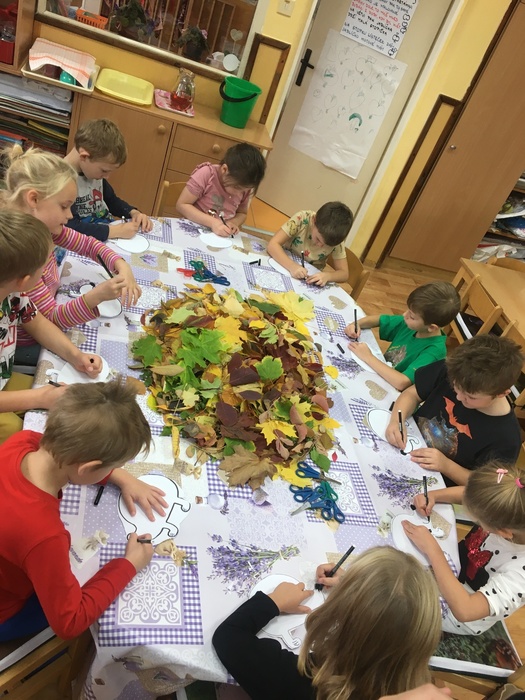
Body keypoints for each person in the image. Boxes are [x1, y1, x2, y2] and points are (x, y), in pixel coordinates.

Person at [0, 378, 168, 642]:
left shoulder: (22, 442)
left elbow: (70, 457)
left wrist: (122, 478)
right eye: (115, 466)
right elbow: (70, 622)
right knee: (82, 590)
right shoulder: (45, 537)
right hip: (6, 612)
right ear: (88, 468)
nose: (117, 470)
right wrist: (129, 565)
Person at [213, 547, 442, 700]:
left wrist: (272, 602)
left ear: (340, 614)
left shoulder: (303, 681)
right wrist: (356, 591)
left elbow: (228, 637)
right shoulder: (417, 689)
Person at [1, 146, 141, 358]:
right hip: (26, 345)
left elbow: (88, 244)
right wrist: (95, 297)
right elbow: (52, 319)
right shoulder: (22, 256)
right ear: (34, 200)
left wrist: (121, 265)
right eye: (64, 206)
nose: (69, 216)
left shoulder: (47, 228)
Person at [0, 209, 104, 442]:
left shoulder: (13, 294)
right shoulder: (15, 290)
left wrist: (75, 355)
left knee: (58, 393)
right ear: (25, 280)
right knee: (23, 433)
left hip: (4, 378)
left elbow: (37, 323)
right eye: (46, 264)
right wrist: (39, 398)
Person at [405, 462, 525, 636]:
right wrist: (434, 495)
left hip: (457, 612)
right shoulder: (510, 507)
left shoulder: (520, 576)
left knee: (395, 595)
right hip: (454, 566)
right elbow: (472, 496)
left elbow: (465, 610)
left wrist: (433, 550)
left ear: (503, 532)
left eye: (478, 519)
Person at [385, 334, 523, 486]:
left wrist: (446, 466)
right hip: (406, 446)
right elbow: (412, 394)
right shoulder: (457, 370)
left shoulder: (506, 439)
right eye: (455, 387)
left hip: (433, 484)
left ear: (502, 393)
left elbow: (485, 486)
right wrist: (396, 420)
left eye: (470, 397)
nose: (458, 397)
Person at [344, 281, 460, 390]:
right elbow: (379, 320)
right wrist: (357, 324)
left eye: (412, 316)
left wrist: (368, 357)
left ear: (432, 327)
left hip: (393, 392)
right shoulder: (413, 325)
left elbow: (402, 382)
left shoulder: (434, 351)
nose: (404, 315)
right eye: (408, 310)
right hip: (381, 376)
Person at [64, 118, 152, 241]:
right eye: (104, 171)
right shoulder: (61, 181)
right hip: (83, 241)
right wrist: (115, 231)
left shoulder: (92, 172)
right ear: (84, 157)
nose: (106, 176)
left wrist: (133, 212)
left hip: (104, 231)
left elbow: (111, 200)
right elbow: (71, 227)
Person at [176, 143, 266, 237]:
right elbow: (182, 205)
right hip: (193, 229)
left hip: (222, 236)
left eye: (244, 190)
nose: (238, 193)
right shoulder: (207, 174)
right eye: (236, 187)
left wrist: (234, 222)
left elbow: (242, 213)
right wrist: (213, 223)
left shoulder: (245, 187)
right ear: (224, 169)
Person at [266, 202, 353, 286]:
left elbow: (344, 274)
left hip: (309, 278)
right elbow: (273, 245)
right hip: (284, 262)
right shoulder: (301, 218)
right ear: (313, 220)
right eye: (318, 239)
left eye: (327, 246)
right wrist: (292, 266)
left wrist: (328, 276)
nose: (320, 245)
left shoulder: (335, 238)